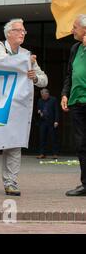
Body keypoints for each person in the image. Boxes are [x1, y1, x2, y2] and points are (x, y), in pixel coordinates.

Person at [0, 18, 48, 197]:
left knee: (13, 145)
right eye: (19, 30)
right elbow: (3, 63)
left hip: (17, 108)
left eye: (24, 31)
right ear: (9, 33)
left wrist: (34, 77)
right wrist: (25, 62)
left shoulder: (27, 54)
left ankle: (11, 183)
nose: (23, 33)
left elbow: (44, 80)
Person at [61, 14, 86, 197]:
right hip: (77, 103)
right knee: (81, 145)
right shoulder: (75, 48)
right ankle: (85, 184)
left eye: (75, 27)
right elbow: (70, 74)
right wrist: (64, 93)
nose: (72, 30)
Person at [36, 88, 60, 159]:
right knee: (42, 138)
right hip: (43, 121)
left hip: (51, 122)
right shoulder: (40, 100)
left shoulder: (53, 100)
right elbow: (38, 109)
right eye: (41, 95)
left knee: (53, 138)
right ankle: (42, 153)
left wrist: (56, 121)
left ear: (47, 94)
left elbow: (56, 111)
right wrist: (39, 112)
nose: (42, 96)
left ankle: (55, 153)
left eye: (43, 95)